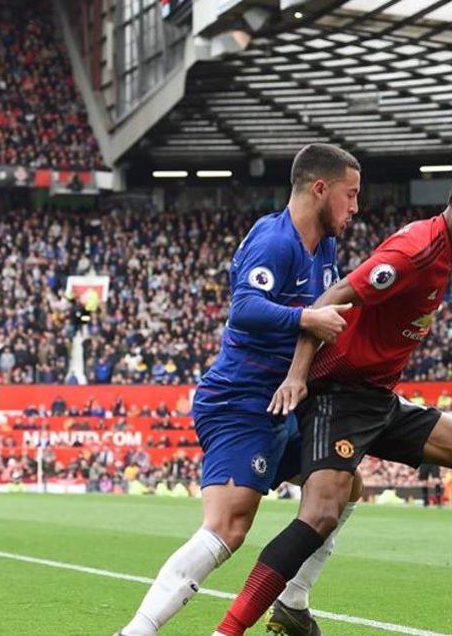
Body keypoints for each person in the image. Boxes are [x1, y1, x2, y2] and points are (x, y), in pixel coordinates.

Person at [212, 159, 452, 635]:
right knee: (321, 512)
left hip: (377, 399)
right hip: (340, 395)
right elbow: (332, 298)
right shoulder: (417, 252)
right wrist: (298, 377)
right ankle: (227, 630)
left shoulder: (442, 248)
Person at [117, 144, 362, 636]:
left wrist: (302, 368)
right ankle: (136, 632)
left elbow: (318, 327)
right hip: (240, 400)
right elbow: (244, 308)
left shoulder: (326, 248)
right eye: (350, 195)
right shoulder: (274, 241)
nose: (355, 208)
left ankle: (293, 603)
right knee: (229, 527)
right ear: (320, 189)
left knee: (342, 485)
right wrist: (305, 316)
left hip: (287, 400)